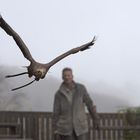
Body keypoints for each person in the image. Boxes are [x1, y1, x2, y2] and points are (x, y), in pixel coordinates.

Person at [53, 67, 99, 140]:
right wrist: (55, 129)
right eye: (65, 75)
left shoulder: (81, 89)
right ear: (62, 77)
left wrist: (95, 119)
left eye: (69, 75)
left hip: (81, 127)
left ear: (72, 76)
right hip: (65, 129)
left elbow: (89, 104)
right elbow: (56, 112)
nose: (67, 77)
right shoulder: (58, 94)